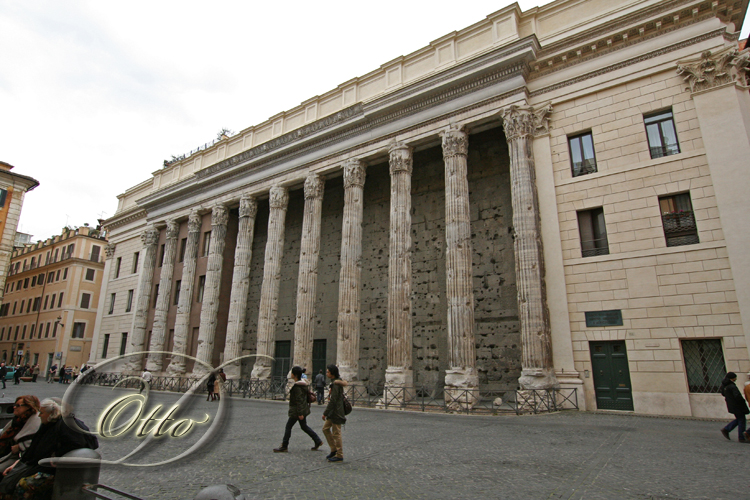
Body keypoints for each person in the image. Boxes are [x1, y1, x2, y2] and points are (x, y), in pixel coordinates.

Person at [0, 397, 98, 498]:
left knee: (23, 484)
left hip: (54, 471)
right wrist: (18, 464)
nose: (39, 415)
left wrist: (56, 456)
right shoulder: (47, 424)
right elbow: (33, 450)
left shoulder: (65, 425)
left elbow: (77, 443)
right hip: (37, 465)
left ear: (51, 413)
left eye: (42, 413)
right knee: (10, 480)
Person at [273, 366, 322, 453]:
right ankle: (317, 440)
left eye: (292, 373)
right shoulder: (303, 384)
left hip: (297, 411)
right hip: (301, 409)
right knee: (304, 426)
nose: (291, 374)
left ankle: (284, 446)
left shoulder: (297, 387)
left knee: (288, 427)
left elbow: (299, 400)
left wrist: (300, 413)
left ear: (294, 375)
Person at [0, 396, 41, 472]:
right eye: (14, 405)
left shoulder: (36, 421)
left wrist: (20, 446)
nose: (14, 407)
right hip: (7, 453)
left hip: (18, 457)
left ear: (29, 406)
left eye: (18, 405)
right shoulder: (17, 420)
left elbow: (36, 441)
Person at [322, 364, 348, 463]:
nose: (326, 373)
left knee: (336, 433)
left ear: (332, 373)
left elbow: (333, 401)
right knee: (325, 429)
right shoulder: (335, 382)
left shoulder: (336, 384)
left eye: (328, 372)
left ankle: (339, 455)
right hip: (333, 412)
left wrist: (325, 413)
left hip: (336, 412)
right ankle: (334, 449)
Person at [720, 372, 749, 443]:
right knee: (741, 420)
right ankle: (741, 437)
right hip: (737, 406)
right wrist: (743, 403)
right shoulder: (732, 386)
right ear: (732, 378)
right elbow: (737, 396)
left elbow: (723, 394)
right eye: (735, 377)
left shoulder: (725, 386)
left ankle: (727, 429)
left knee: (739, 419)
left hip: (732, 405)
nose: (736, 379)